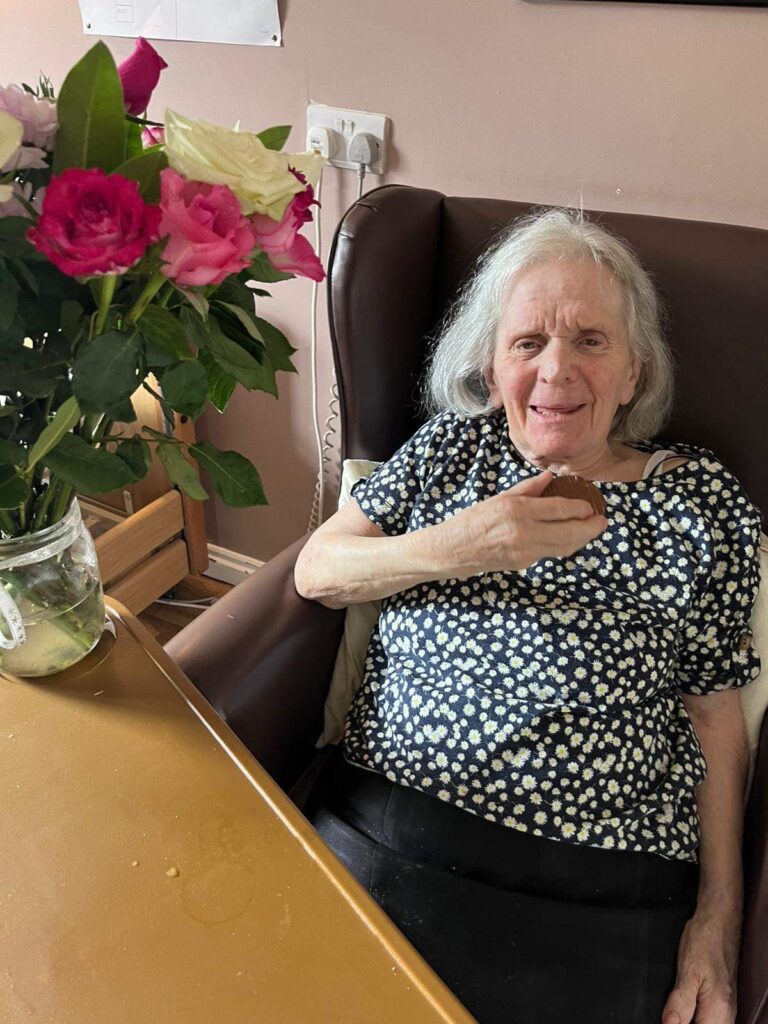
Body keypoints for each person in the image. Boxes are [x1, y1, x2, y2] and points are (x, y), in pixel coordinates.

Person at [293, 209, 762, 1024]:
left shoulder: (697, 500)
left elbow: (716, 709)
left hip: (606, 883)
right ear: (491, 365)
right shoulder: (452, 451)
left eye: (590, 340)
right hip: (392, 832)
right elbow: (318, 570)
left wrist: (718, 919)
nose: (556, 371)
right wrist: (462, 544)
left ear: (634, 372)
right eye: (528, 342)